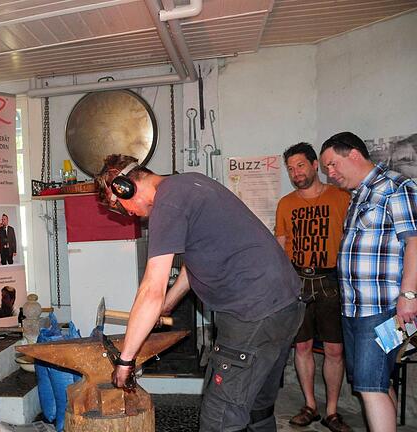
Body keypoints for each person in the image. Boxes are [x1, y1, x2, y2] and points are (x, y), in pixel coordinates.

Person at [95, 154, 303, 431]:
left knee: (219, 420)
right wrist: (167, 305)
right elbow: (192, 267)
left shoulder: (167, 202)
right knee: (255, 409)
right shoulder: (189, 184)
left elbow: (150, 288)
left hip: (252, 313)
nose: (127, 214)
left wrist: (125, 360)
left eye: (119, 205)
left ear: (125, 187)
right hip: (283, 307)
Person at [319, 132, 417, 432]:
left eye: (333, 165)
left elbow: (414, 242)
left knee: (370, 387)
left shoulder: (395, 187)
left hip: (383, 308)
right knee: (374, 382)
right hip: (355, 309)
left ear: (354, 155)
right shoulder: (360, 193)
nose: (331, 174)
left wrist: (409, 296)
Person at [274, 143, 351, 432]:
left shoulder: (340, 197)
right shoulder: (286, 203)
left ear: (315, 164)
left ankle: (332, 412)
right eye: (291, 169)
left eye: (300, 166)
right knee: (302, 346)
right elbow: (281, 246)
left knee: (334, 349)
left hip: (332, 279)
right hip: (298, 280)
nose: (296, 173)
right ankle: (310, 405)